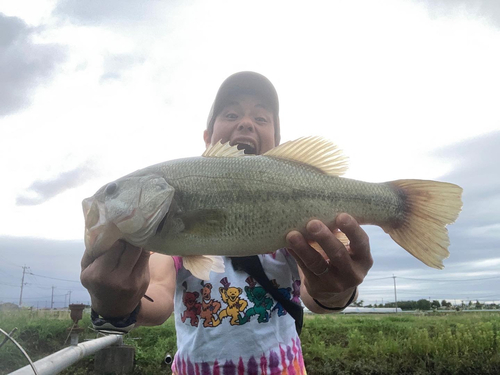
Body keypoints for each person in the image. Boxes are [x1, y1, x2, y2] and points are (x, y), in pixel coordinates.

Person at [81, 71, 373, 374]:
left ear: (278, 145)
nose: (246, 122)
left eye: (262, 118)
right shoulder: (165, 241)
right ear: (208, 139)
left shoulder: (292, 236)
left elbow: (316, 297)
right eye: (231, 114)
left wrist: (337, 290)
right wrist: (115, 306)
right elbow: (156, 298)